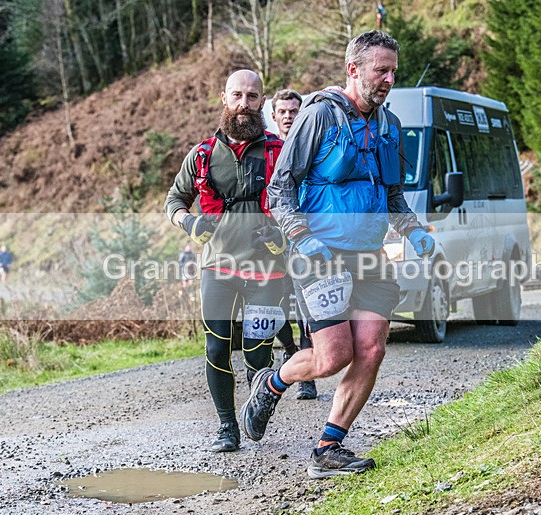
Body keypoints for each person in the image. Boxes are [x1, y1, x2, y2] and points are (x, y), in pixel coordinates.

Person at [242, 30, 435, 479]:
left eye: (393, 71)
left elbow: (392, 195)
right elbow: (280, 188)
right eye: (380, 70)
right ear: (354, 69)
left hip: (370, 255)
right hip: (319, 255)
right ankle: (272, 382)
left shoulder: (390, 125)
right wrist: (299, 234)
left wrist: (411, 228)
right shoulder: (320, 117)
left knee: (371, 348)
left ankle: (329, 447)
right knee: (332, 358)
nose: (388, 79)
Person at [165, 69, 289, 453]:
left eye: (252, 97)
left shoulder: (280, 152)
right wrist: (189, 222)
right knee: (217, 348)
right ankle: (226, 427)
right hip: (217, 269)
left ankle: (256, 408)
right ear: (224, 98)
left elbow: (304, 204)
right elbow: (174, 201)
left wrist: (281, 235)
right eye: (237, 95)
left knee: (257, 349)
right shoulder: (202, 154)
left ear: (262, 102)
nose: (244, 104)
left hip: (268, 270)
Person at [270, 88, 318, 401]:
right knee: (273, 311)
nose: (288, 117)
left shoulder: (310, 147)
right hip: (269, 246)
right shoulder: (267, 151)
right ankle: (289, 352)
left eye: (293, 111)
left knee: (305, 312)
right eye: (283, 112)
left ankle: (307, 378)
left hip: (303, 241)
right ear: (273, 116)